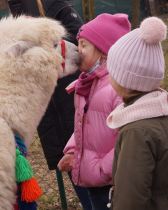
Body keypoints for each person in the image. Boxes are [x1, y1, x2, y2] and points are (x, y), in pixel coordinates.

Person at [8, 0, 92, 209]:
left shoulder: (55, 5)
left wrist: (45, 45)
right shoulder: (17, 9)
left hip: (69, 93)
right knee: (69, 157)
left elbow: (79, 41)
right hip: (47, 100)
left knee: (85, 153)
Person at [105, 16, 168, 209]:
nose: (108, 74)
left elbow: (130, 199)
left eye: (111, 69)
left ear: (124, 80)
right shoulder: (160, 113)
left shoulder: (136, 132)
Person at [58, 13, 131, 210]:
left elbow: (128, 138)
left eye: (83, 45)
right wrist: (73, 151)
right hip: (93, 178)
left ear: (105, 52)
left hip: (111, 182)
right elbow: (84, 125)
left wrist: (104, 170)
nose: (77, 50)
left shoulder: (116, 88)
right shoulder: (86, 83)